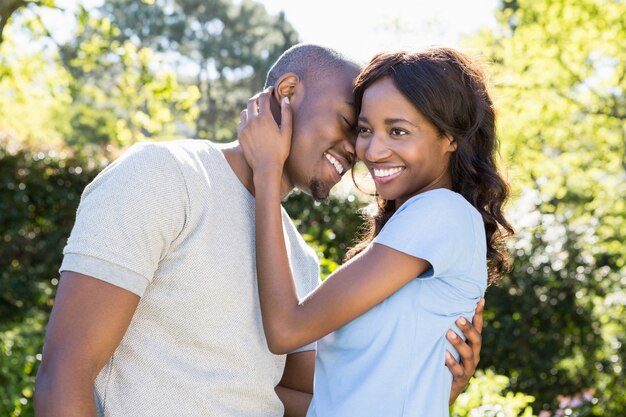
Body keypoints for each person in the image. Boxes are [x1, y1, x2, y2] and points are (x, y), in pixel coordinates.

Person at [34, 44, 484, 417]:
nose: (359, 150)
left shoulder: (297, 260)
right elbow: (65, 373)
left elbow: (308, 400)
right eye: (354, 125)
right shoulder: (165, 176)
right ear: (287, 92)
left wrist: (426, 381)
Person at [237, 47, 513, 417]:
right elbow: (339, 399)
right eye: (365, 130)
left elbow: (286, 329)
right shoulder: (409, 231)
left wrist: (267, 170)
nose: (372, 150)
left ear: (451, 137)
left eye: (398, 131)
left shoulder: (442, 212)